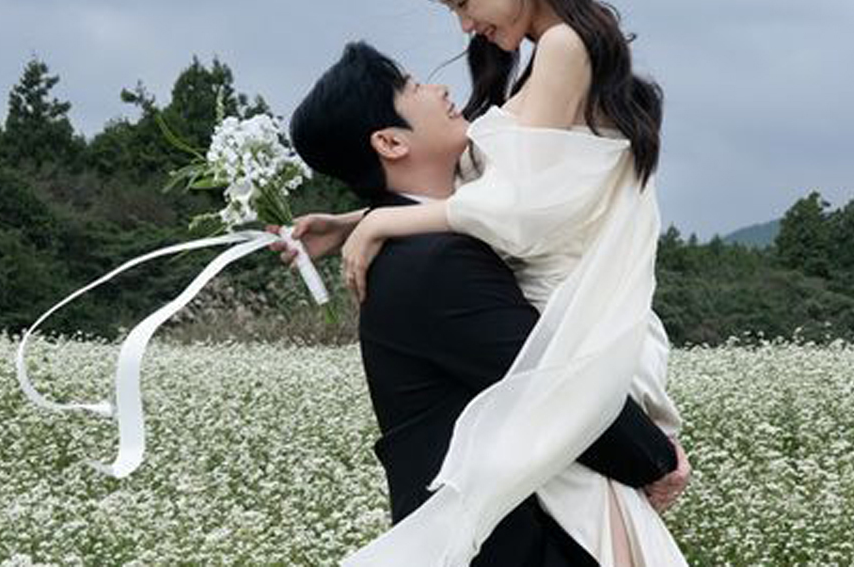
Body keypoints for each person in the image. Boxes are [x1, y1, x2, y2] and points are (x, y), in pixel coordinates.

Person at [274, 41, 689, 566]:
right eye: (413, 86)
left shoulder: (414, 240)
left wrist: (354, 221)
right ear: (391, 142)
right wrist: (656, 459)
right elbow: (545, 383)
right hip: (512, 545)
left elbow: (483, 202)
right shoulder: (434, 264)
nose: (439, 89)